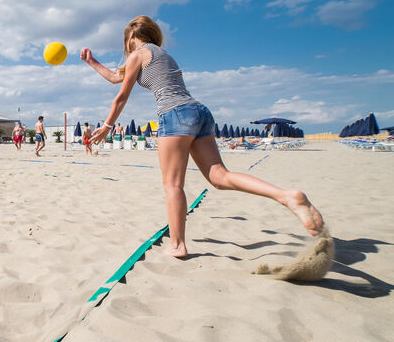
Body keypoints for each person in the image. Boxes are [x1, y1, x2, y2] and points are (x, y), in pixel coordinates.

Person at [82, 15, 324, 258]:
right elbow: (117, 77)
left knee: (173, 185)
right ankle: (286, 196)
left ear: (132, 36)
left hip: (175, 113)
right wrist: (92, 61)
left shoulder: (139, 54)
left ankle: (177, 245)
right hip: (199, 112)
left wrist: (107, 125)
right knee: (220, 177)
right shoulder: (161, 55)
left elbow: (121, 95)